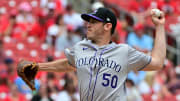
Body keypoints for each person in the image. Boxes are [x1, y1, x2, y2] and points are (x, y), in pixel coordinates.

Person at [23, 7, 166, 101]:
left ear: (107, 26)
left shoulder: (124, 51)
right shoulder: (80, 47)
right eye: (88, 21)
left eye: (94, 21)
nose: (88, 25)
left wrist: (159, 27)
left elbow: (157, 62)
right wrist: (38, 67)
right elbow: (69, 63)